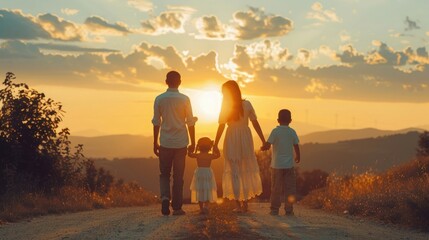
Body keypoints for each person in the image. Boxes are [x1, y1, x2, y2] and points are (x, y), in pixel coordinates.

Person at [213, 80, 265, 213]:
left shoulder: (226, 106)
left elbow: (221, 125)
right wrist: (263, 140)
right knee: (244, 170)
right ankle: (244, 202)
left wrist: (215, 143)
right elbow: (254, 123)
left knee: (235, 170)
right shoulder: (246, 104)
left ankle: (238, 204)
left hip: (232, 137)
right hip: (245, 138)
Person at [152, 70, 197, 216]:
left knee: (164, 173)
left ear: (166, 82)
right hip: (180, 142)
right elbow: (190, 122)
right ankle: (177, 207)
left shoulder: (159, 99)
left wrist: (155, 142)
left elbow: (156, 122)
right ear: (180, 82)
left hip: (165, 141)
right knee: (179, 176)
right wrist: (193, 142)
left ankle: (165, 197)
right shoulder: (185, 99)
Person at [261, 109, 300, 216]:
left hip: (276, 165)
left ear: (278, 120)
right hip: (289, 166)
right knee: (290, 188)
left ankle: (274, 209)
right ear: (290, 120)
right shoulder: (292, 132)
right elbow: (296, 145)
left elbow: (268, 144)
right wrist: (298, 156)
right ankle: (289, 209)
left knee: (275, 188)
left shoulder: (275, 131)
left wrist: (263, 147)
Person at [188, 137, 220, 214]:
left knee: (200, 189)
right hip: (207, 173)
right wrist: (215, 148)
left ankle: (201, 208)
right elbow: (218, 155)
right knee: (207, 189)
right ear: (209, 147)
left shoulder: (198, 155)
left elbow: (189, 154)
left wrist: (193, 148)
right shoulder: (210, 155)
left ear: (199, 147)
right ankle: (206, 206)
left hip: (199, 173)